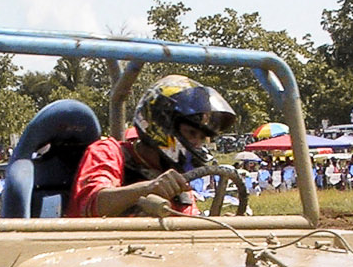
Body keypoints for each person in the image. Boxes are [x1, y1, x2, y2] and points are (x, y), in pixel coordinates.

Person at [68, 75, 236, 217]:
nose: (197, 144)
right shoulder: (109, 152)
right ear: (162, 123)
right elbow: (89, 205)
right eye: (191, 133)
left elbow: (187, 223)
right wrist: (147, 188)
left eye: (202, 138)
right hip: (102, 250)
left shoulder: (178, 178)